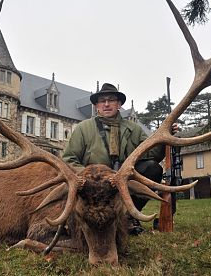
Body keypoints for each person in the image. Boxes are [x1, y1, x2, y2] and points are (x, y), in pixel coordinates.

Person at [62, 83, 167, 234]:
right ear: (96, 105)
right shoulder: (83, 128)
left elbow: (151, 155)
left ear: (119, 104)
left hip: (123, 181)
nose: (106, 104)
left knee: (153, 168)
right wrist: (88, 176)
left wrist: (164, 140)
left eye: (111, 100)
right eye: (102, 101)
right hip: (93, 185)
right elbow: (69, 159)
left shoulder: (134, 129)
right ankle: (87, 218)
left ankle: (129, 216)